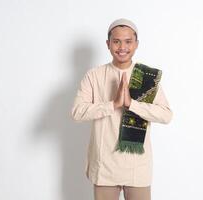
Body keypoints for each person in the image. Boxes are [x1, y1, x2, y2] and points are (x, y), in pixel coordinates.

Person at [71, 18, 173, 200]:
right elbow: (77, 113)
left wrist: (131, 104)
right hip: (104, 165)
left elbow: (166, 115)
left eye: (128, 41)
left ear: (136, 44)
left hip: (137, 166)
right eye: (116, 41)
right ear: (108, 44)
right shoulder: (94, 75)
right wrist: (113, 104)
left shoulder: (147, 77)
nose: (122, 47)